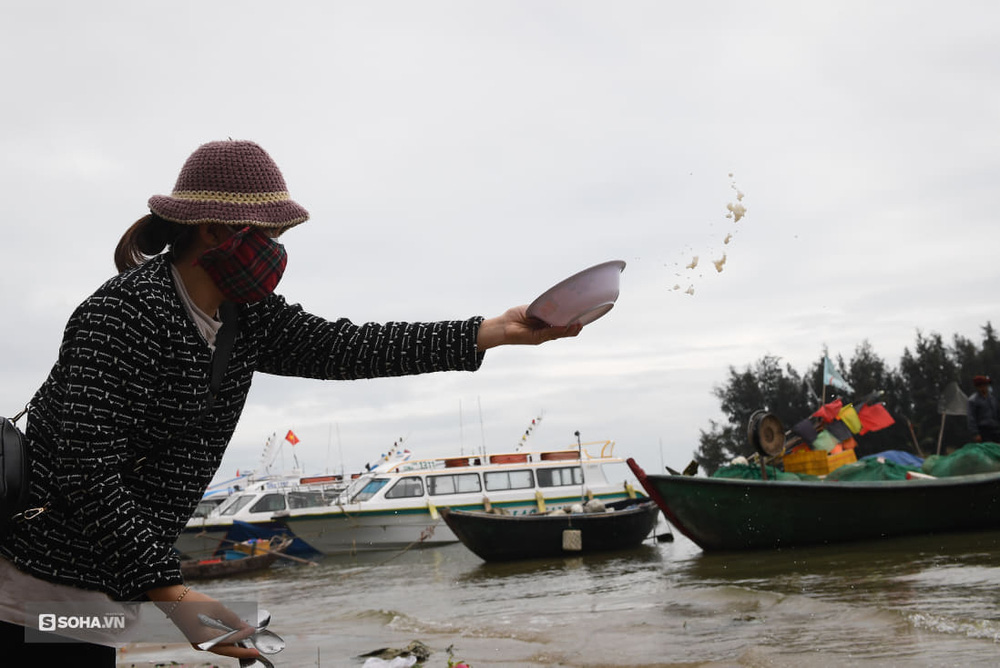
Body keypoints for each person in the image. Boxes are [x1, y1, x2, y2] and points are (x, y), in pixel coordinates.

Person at [0, 140, 582, 664]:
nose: (276, 253)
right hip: (35, 587)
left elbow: (346, 347)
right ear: (213, 231)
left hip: (105, 592)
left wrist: (489, 331)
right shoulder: (125, 314)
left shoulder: (244, 315)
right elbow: (84, 469)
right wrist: (174, 595)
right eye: (268, 236)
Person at [967, 375, 1000, 443]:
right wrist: (975, 433)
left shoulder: (993, 399)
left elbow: (997, 413)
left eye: (986, 385)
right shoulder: (973, 400)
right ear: (978, 387)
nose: (985, 387)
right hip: (983, 431)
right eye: (982, 385)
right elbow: (971, 418)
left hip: (995, 430)